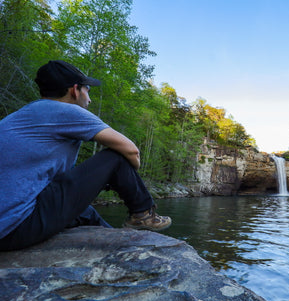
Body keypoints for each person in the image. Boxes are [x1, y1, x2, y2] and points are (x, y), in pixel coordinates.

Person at [0, 60, 171, 251]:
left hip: (7, 226)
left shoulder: (22, 115)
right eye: (87, 90)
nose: (89, 99)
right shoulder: (65, 111)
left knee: (84, 212)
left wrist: (102, 179)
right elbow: (131, 150)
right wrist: (124, 172)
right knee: (116, 157)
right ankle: (143, 215)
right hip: (13, 227)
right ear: (75, 90)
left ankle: (123, 251)